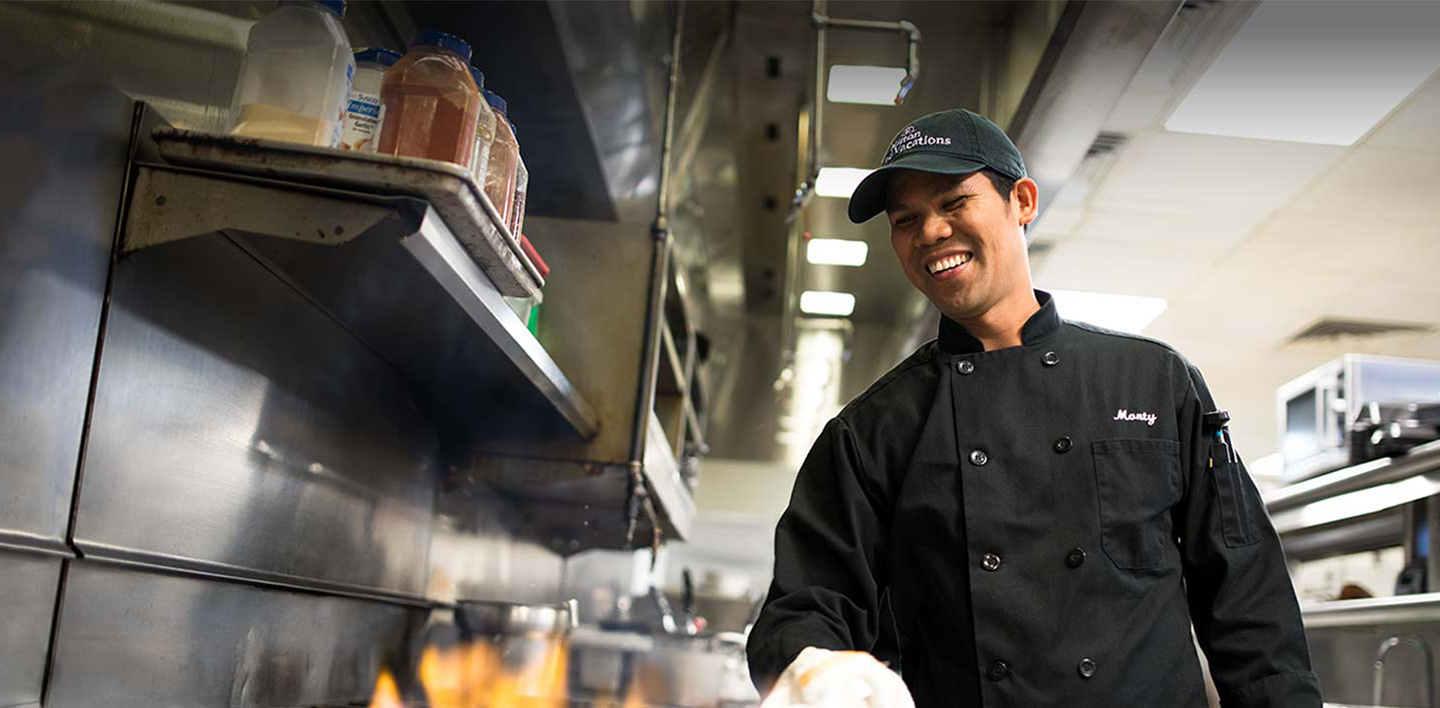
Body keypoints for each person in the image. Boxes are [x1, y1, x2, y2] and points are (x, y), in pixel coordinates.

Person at [746, 109, 1321, 708]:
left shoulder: (1153, 381)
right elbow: (806, 605)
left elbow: (1249, 601)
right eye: (906, 219)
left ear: (1021, 200)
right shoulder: (873, 432)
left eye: (954, 202)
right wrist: (820, 671)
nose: (931, 233)